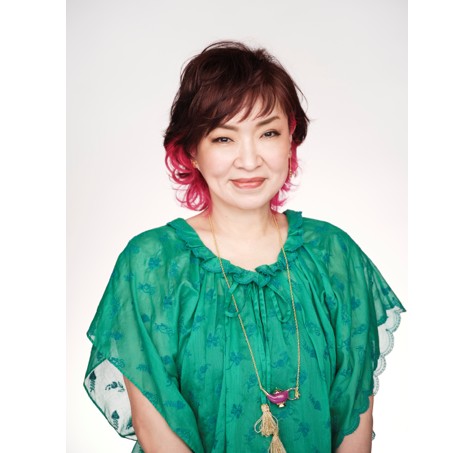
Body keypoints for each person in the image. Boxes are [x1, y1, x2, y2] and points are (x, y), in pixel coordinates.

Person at [84, 41, 405, 453]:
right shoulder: (152, 264)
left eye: (268, 133)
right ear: (192, 151)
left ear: (290, 140)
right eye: (224, 138)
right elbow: (157, 432)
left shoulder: (333, 255)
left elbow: (354, 422)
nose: (250, 160)